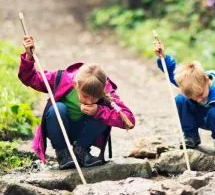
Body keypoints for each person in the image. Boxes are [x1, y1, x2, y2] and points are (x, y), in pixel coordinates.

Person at [18, 36, 135, 169]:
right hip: (61, 129)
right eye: (85, 96)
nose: (90, 101)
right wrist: (28, 56)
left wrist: (99, 111)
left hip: (84, 132)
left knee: (104, 109)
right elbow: (29, 78)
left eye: (95, 97)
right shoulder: (61, 79)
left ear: (102, 90)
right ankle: (63, 153)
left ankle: (81, 151)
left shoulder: (107, 92)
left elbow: (129, 120)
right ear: (75, 84)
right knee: (58, 108)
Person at [154, 39, 215, 166]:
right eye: (194, 97)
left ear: (207, 80)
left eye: (201, 95)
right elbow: (172, 73)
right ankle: (191, 136)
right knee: (180, 99)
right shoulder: (193, 84)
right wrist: (163, 57)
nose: (198, 99)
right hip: (201, 115)